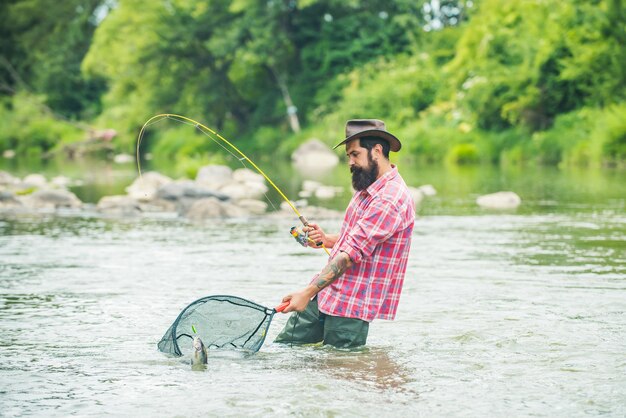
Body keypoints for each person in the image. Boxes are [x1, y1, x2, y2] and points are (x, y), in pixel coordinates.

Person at [275, 119, 415, 348]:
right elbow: (358, 238)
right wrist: (326, 239)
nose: (350, 162)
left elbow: (350, 254)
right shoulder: (368, 186)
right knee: (284, 347)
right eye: (348, 156)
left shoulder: (389, 199)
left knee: (341, 372)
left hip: (352, 306)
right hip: (328, 292)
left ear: (377, 152)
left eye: (355, 154)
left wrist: (306, 292)